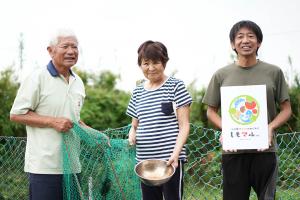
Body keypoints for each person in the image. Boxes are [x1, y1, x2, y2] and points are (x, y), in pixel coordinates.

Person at [203, 20, 292, 200]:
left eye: (251, 36)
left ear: (259, 42)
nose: (246, 40)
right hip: (233, 152)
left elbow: (286, 110)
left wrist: (269, 128)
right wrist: (226, 128)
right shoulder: (221, 75)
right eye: (240, 37)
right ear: (232, 43)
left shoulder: (273, 72)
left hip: (265, 150)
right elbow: (211, 111)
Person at [10, 29, 86, 200]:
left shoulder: (78, 82)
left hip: (73, 167)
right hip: (45, 168)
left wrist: (95, 135)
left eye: (74, 47)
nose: (71, 51)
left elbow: (75, 119)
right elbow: (16, 114)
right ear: (50, 51)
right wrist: (52, 122)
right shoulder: (37, 78)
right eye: (65, 46)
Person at [126, 40, 192, 200]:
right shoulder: (138, 92)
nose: (151, 68)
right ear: (140, 65)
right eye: (145, 63)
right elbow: (134, 125)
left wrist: (176, 155)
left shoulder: (176, 86)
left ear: (164, 62)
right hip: (145, 163)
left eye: (156, 62)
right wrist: (132, 133)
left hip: (170, 161)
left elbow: (184, 126)